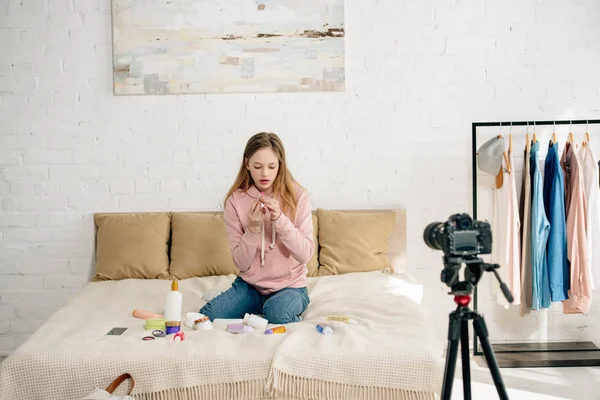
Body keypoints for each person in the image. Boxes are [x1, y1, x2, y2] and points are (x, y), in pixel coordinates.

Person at [200, 132, 313, 324]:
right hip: (250, 286)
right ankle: (256, 304)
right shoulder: (235, 201)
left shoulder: (298, 196)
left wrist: (279, 219)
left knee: (277, 314)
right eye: (257, 166)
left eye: (272, 166)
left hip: (290, 286)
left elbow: (305, 255)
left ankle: (273, 306)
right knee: (208, 314)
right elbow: (241, 264)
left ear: (281, 165)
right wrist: (252, 229)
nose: (265, 174)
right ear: (247, 165)